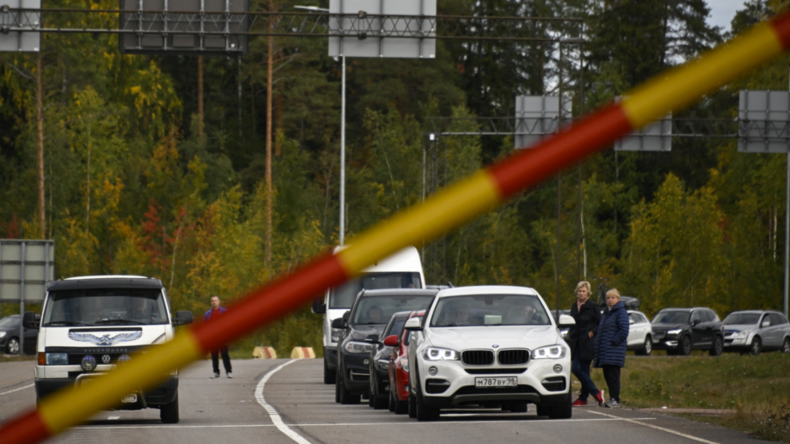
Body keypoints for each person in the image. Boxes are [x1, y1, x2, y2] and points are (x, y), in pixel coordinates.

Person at [569, 281, 605, 407]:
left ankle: (592, 394)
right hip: (575, 342)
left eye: (583, 291)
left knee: (578, 369)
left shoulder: (592, 306)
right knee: (581, 370)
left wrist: (592, 332)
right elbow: (572, 322)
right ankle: (586, 397)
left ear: (588, 293)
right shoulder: (574, 306)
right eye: (579, 291)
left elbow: (600, 323)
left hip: (587, 342)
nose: (581, 293)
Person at [594, 288, 629, 408]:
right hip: (605, 351)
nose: (610, 300)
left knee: (613, 376)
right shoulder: (606, 313)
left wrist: (613, 341)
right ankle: (612, 398)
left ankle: (615, 399)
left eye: (613, 298)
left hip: (614, 350)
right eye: (608, 298)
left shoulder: (621, 312)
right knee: (607, 376)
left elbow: (624, 330)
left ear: (618, 299)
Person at [204, 295, 233, 379]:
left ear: (219, 302)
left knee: (225, 355)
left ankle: (229, 372)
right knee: (214, 356)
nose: (214, 302)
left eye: (215, 300)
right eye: (212, 301)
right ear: (211, 302)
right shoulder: (208, 314)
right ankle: (216, 372)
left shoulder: (224, 311)